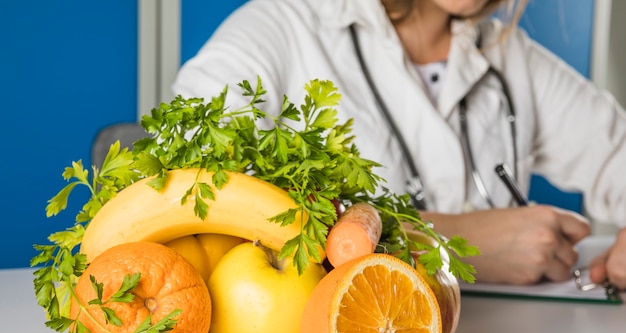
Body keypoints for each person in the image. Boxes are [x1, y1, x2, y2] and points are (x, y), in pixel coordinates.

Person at [172, 0, 626, 290]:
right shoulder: (278, 27)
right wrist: (448, 239)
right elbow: (192, 183)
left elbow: (616, 151)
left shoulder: (510, 56)